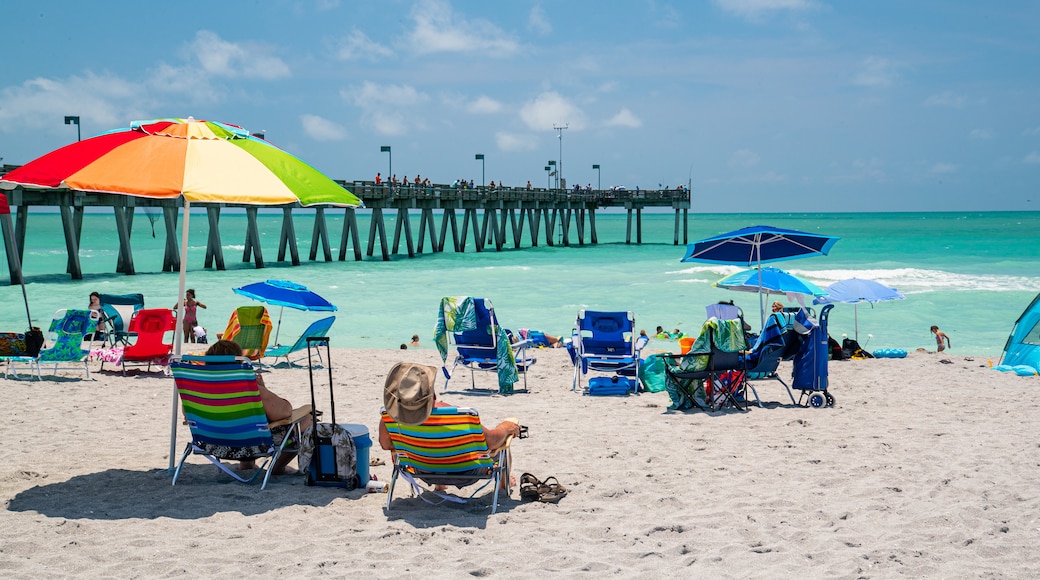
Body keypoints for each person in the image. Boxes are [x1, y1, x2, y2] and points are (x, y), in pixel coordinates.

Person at [378, 362, 520, 489]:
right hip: (467, 473)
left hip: (422, 471)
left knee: (432, 443)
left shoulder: (391, 418)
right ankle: (504, 483)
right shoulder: (458, 415)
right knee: (502, 446)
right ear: (432, 396)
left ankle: (439, 485)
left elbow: (386, 445)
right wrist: (506, 427)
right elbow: (492, 442)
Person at [205, 340, 311, 474]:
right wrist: (261, 389)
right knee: (307, 418)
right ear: (237, 362)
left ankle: (247, 464)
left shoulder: (199, 389)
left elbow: (188, 415)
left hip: (213, 442)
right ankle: (277, 468)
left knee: (247, 419)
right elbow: (285, 411)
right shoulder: (247, 387)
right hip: (251, 444)